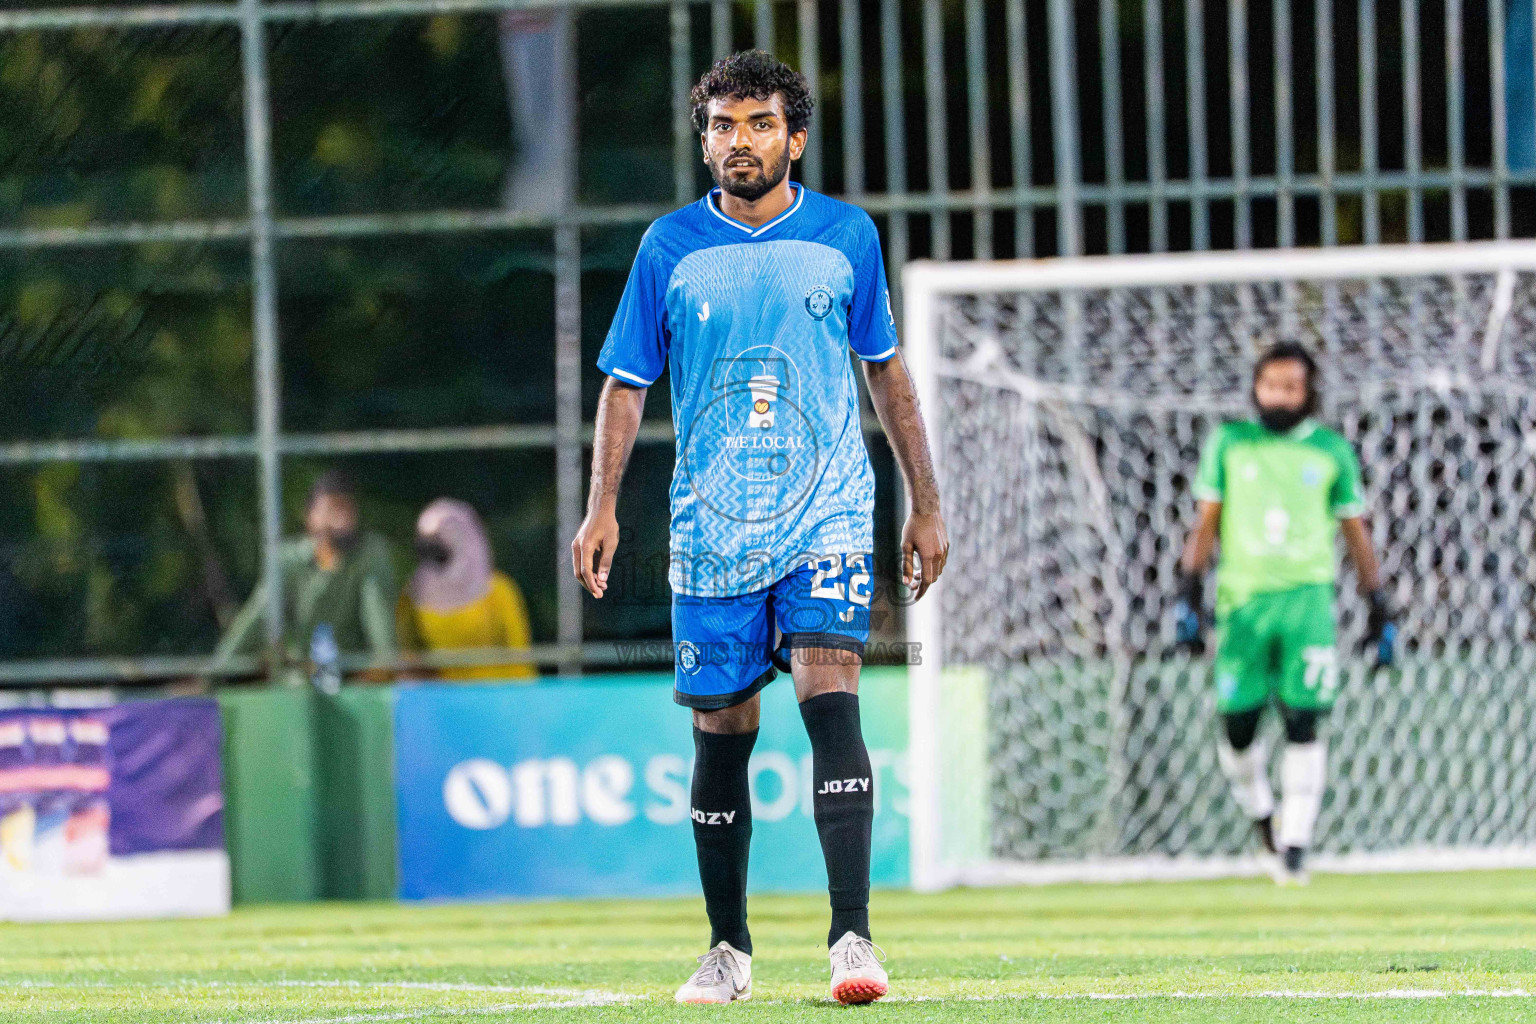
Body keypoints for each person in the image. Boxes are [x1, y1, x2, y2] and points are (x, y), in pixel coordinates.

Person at [570, 50, 948, 1006]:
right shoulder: (668, 248)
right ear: (706, 140)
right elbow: (625, 386)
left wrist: (927, 498)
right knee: (723, 732)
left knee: (833, 697)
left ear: (796, 137)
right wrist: (602, 503)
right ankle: (728, 949)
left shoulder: (846, 236)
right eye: (723, 128)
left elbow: (886, 372)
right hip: (712, 527)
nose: (740, 143)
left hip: (827, 507)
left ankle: (852, 939)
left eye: (759, 125)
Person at [1174, 342, 1399, 886]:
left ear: (1309, 392)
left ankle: (1295, 843)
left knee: (1304, 721)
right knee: (1238, 727)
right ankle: (1263, 820)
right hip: (1243, 605)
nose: (1278, 395)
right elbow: (1207, 522)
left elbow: (1356, 533)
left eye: (1291, 386)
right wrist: (1188, 591)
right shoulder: (1228, 444)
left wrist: (1378, 603)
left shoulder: (1331, 452)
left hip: (1308, 603)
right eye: (1269, 384)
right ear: (1255, 387)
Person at [214, 471, 397, 682]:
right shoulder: (289, 560)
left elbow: (382, 634)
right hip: (300, 679)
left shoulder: (370, 555)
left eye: (347, 509)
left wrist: (377, 671)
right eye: (331, 509)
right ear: (310, 516)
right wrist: (213, 675)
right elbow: (256, 618)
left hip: (355, 678)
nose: (341, 519)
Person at [396, 498, 535, 681]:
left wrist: (525, 700)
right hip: (441, 700)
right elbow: (409, 657)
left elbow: (521, 656)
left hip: (497, 696)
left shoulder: (499, 590)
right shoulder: (412, 596)